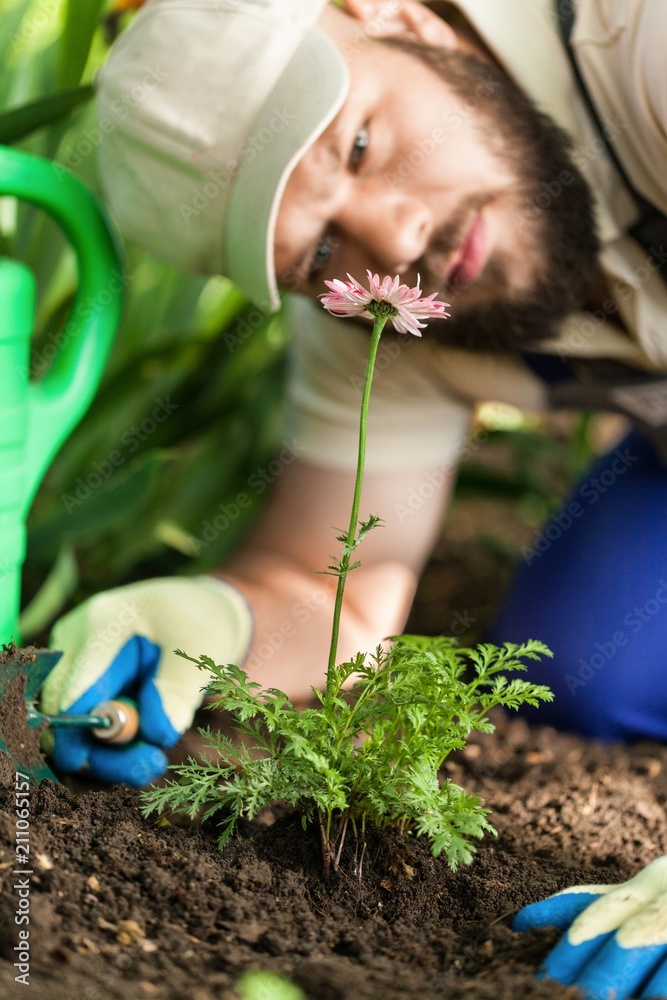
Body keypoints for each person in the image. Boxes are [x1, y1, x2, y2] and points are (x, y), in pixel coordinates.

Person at [39, 1, 667, 994]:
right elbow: (331, 585)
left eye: (361, 142)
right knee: (592, 666)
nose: (395, 238)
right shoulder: (381, 317)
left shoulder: (642, 50)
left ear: (398, 15)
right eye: (321, 254)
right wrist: (216, 621)